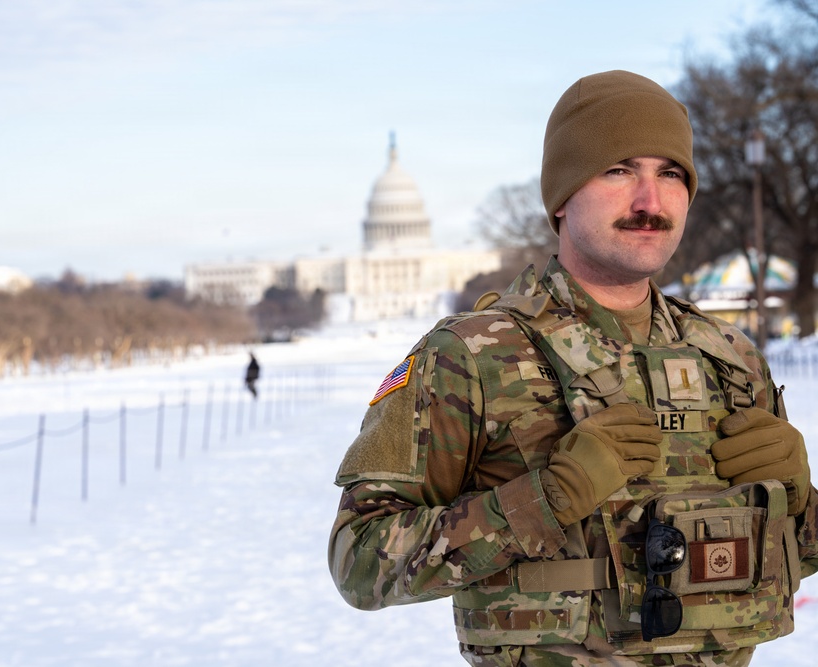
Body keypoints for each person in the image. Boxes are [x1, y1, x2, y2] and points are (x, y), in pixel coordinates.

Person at [328, 70, 818, 666]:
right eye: (618, 170)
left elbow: (784, 555)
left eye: (671, 174)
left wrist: (796, 500)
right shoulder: (471, 355)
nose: (650, 201)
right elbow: (359, 562)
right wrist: (546, 500)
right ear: (561, 197)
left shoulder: (730, 357)